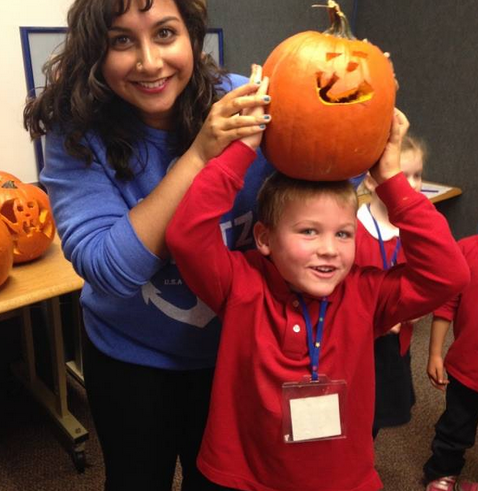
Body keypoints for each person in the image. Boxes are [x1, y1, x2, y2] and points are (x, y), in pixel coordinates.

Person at [23, 0, 273, 491]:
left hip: (236, 351)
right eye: (121, 41)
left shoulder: (243, 104)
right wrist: (201, 155)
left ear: (191, 36)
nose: (149, 61)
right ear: (96, 51)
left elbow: (332, 172)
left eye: (164, 33)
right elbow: (110, 267)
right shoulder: (75, 134)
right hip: (130, 360)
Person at [165, 109, 470, 491]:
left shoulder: (366, 292)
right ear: (263, 238)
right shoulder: (240, 282)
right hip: (242, 477)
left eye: (343, 234)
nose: (329, 249)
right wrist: (242, 150)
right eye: (309, 231)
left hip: (342, 479)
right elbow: (185, 236)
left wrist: (392, 181)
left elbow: (449, 273)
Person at [355, 134, 426, 438]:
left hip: (395, 345)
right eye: (400, 175)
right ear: (372, 181)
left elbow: (429, 282)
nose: (411, 184)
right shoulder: (353, 228)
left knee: (377, 415)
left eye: (417, 175)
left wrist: (416, 310)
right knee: (348, 410)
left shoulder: (418, 230)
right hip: (356, 345)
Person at [423, 236, 478, 491]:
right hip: (467, 369)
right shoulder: (466, 250)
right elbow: (446, 305)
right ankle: (443, 472)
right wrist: (435, 353)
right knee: (455, 428)